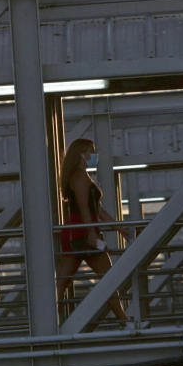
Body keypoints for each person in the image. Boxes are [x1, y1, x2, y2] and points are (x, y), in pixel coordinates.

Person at [56, 138, 131, 324]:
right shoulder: (80, 176)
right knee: (108, 279)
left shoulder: (79, 175)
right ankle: (124, 320)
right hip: (83, 232)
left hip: (75, 232)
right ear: (82, 153)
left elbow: (96, 209)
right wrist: (91, 233)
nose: (94, 155)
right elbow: (85, 207)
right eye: (91, 151)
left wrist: (119, 228)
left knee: (62, 282)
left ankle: (46, 321)